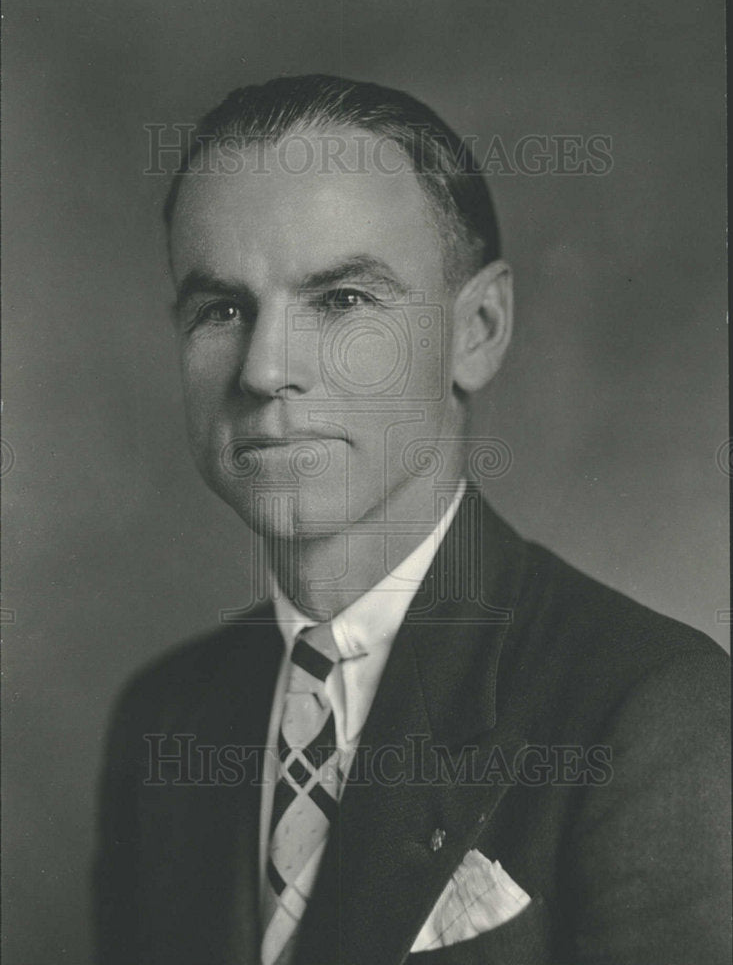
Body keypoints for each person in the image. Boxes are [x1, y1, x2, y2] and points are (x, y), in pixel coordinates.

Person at [93, 75, 730, 965]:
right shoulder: (165, 718)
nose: (265, 368)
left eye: (343, 301)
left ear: (478, 329)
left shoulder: (654, 713)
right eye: (223, 309)